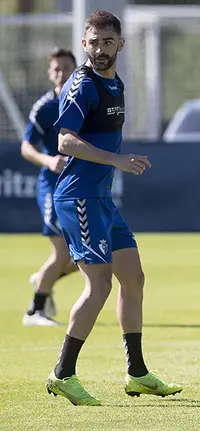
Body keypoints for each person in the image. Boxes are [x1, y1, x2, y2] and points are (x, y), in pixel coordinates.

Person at [45, 10, 181, 406]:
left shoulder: (115, 83)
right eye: (93, 42)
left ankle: (137, 373)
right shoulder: (82, 84)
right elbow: (65, 141)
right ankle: (62, 374)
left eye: (107, 42)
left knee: (133, 279)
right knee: (99, 285)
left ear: (120, 44)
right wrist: (116, 160)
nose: (100, 49)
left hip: (101, 198)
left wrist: (113, 162)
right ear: (84, 44)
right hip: (79, 198)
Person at [20, 48, 79, 326]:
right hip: (53, 188)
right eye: (56, 69)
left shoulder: (84, 101)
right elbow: (26, 147)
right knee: (62, 252)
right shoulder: (44, 107)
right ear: (49, 73)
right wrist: (48, 160)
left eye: (66, 67)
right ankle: (35, 311)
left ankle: (43, 279)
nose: (61, 73)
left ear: (76, 70)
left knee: (93, 253)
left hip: (79, 186)